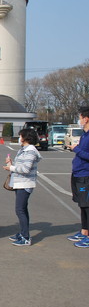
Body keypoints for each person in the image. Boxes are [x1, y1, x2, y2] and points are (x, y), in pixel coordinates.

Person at [3, 128, 42, 246]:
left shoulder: (30, 151)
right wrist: (11, 164)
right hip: (20, 183)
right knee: (22, 209)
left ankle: (25, 237)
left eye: (20, 136)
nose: (19, 138)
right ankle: (23, 233)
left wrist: (11, 168)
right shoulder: (24, 149)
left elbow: (25, 169)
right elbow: (21, 166)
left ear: (25, 138)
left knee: (20, 210)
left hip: (25, 184)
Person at [67, 106, 89, 248]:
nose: (79, 120)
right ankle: (84, 231)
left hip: (85, 176)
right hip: (78, 173)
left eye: (80, 118)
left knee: (87, 206)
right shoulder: (84, 134)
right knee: (82, 205)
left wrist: (76, 149)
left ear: (86, 118)